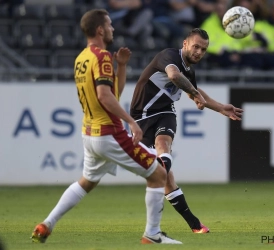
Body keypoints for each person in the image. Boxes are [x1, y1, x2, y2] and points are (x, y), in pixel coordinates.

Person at [30, 9, 182, 245]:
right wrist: (131, 122)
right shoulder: (101, 57)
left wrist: (121, 66)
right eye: (109, 25)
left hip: (89, 133)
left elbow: (113, 93)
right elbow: (104, 96)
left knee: (86, 182)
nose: (112, 28)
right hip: (109, 133)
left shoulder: (82, 58)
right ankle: (152, 235)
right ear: (100, 29)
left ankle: (46, 224)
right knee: (159, 175)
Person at [130, 28, 243, 233]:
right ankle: (192, 222)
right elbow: (174, 76)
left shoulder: (189, 70)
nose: (199, 52)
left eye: (204, 49)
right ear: (185, 44)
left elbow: (195, 92)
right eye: (196, 46)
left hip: (165, 112)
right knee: (168, 180)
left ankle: (195, 225)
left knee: (163, 144)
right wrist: (193, 92)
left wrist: (220, 108)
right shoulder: (169, 56)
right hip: (141, 118)